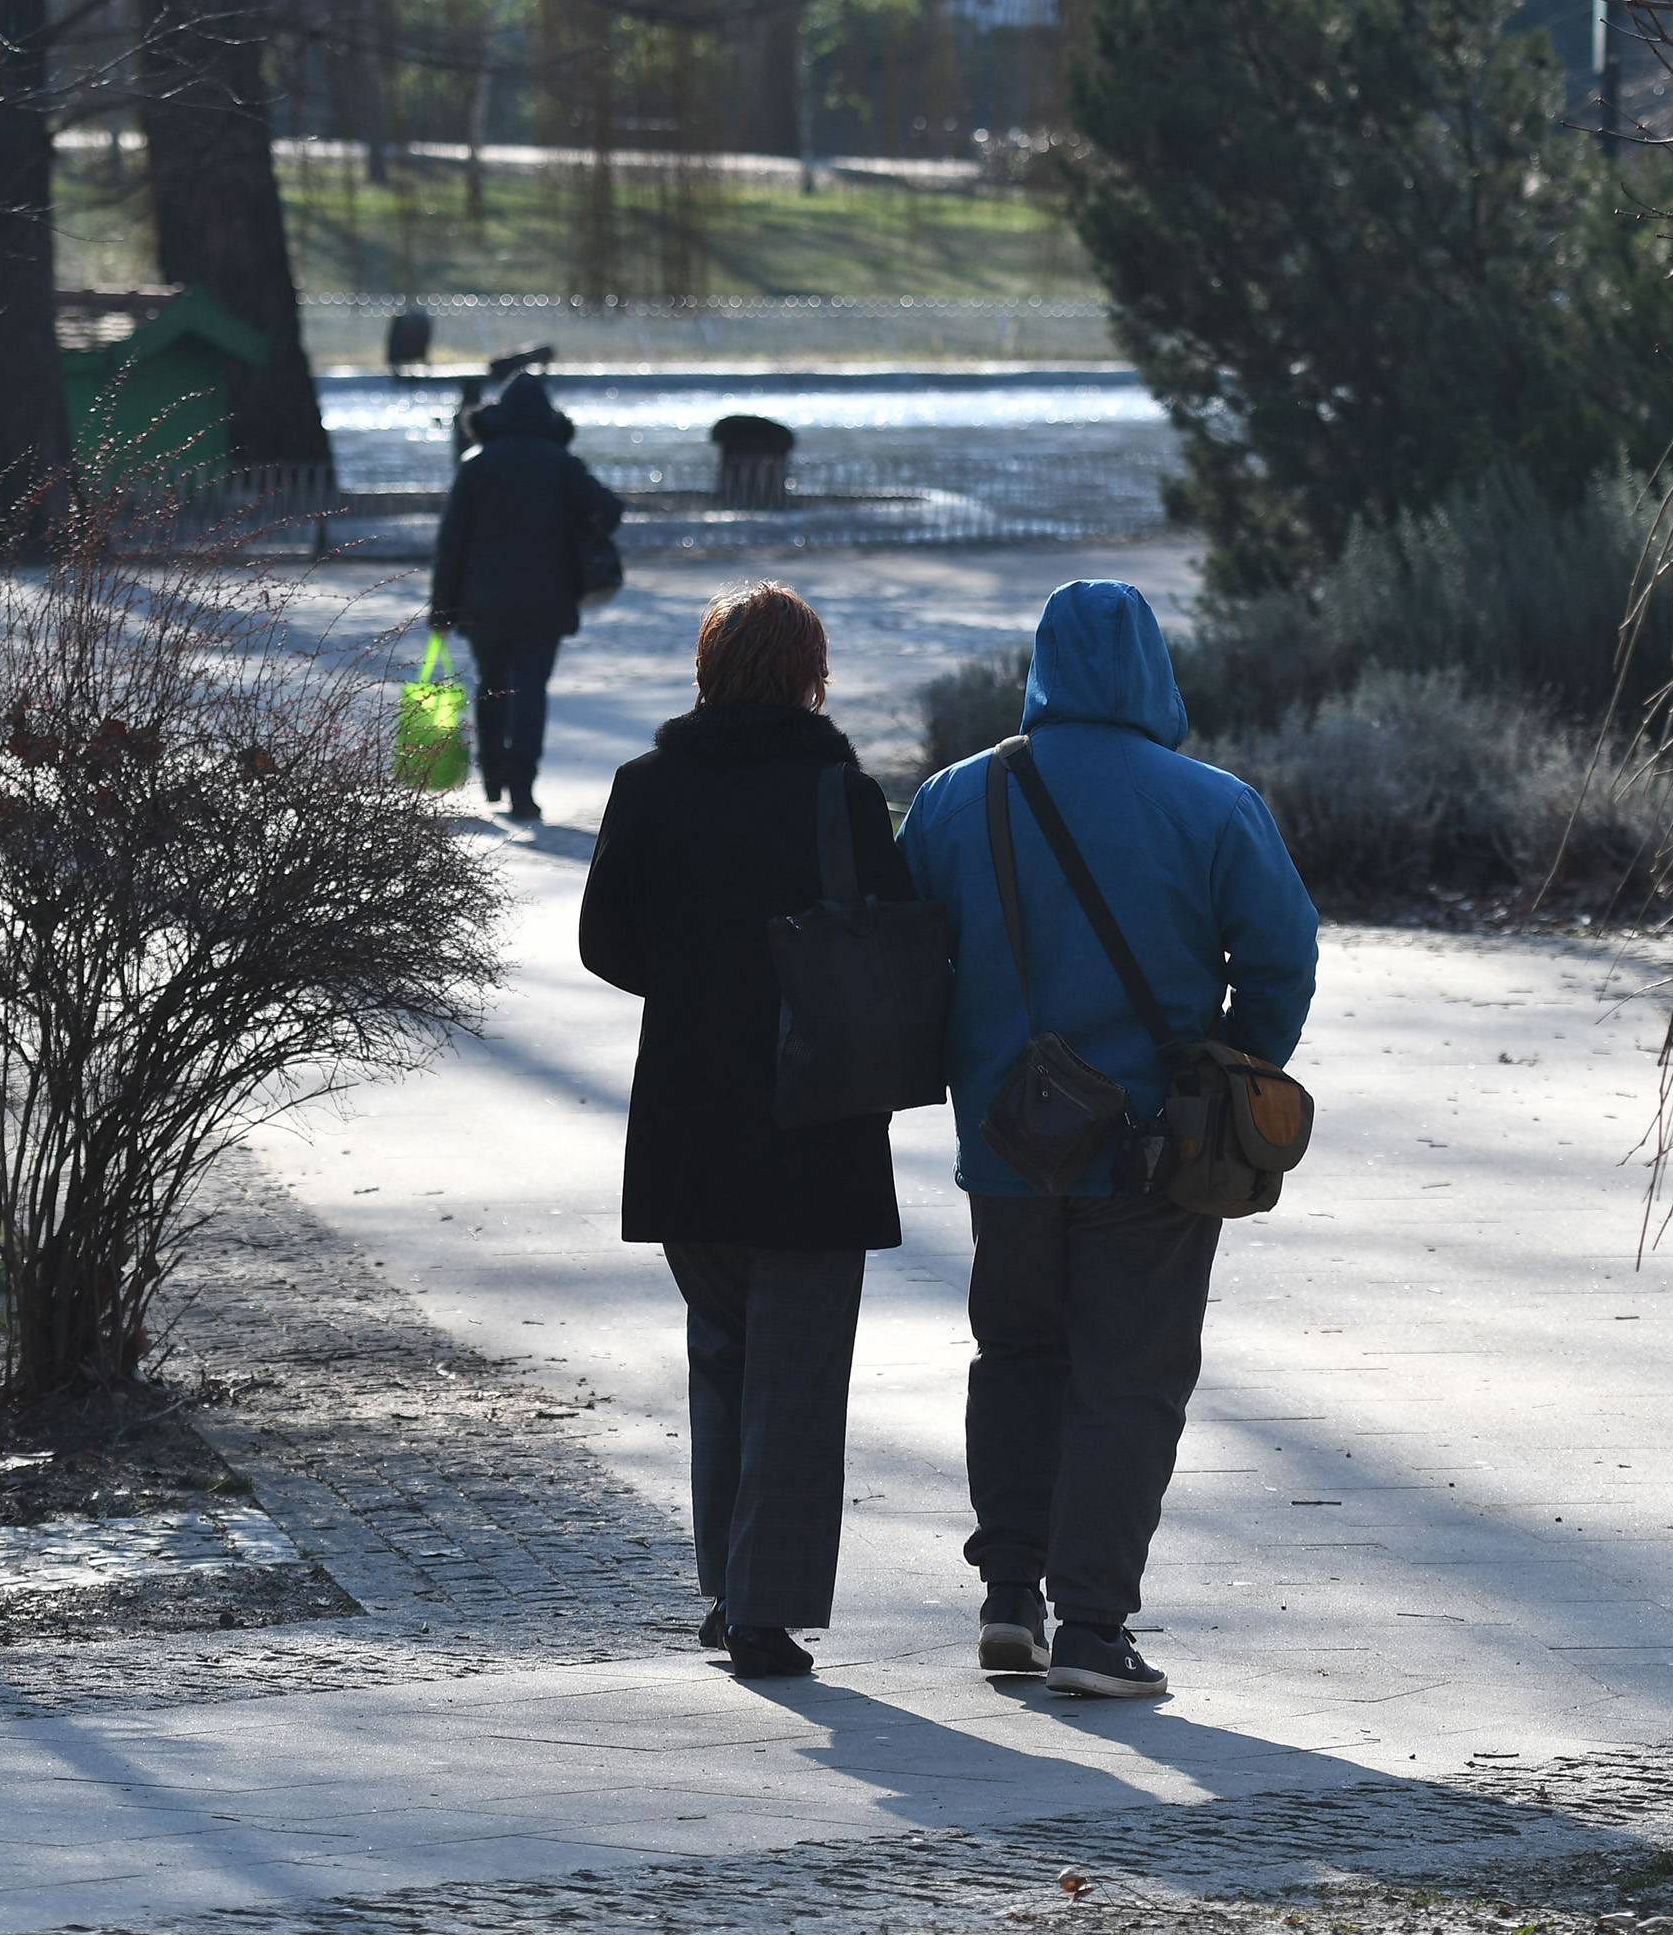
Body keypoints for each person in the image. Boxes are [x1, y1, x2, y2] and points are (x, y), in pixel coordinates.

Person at [899, 579, 1319, 1698]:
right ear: (1152, 668)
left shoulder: (951, 798)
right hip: (1153, 1148)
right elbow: (1282, 959)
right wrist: (1223, 1066)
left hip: (1004, 1144)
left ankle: (1006, 1598)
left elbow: (903, 953)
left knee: (1017, 1358)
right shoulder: (1214, 803)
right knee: (1129, 1376)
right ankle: (1090, 1626)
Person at [578, 581, 911, 1681]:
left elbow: (603, 941)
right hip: (814, 1113)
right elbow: (892, 935)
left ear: (706, 669)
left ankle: (728, 1588)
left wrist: (691, 990)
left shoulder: (647, 786)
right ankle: (764, 1611)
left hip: (688, 1112)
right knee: (799, 1371)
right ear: (810, 673)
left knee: (722, 1355)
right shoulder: (838, 794)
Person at [426, 370, 625, 823]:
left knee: (492, 686)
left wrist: (442, 607)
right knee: (531, 689)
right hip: (546, 600)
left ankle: (493, 774)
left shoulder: (477, 464)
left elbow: (451, 543)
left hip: (484, 604)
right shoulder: (560, 464)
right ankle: (522, 787)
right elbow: (609, 510)